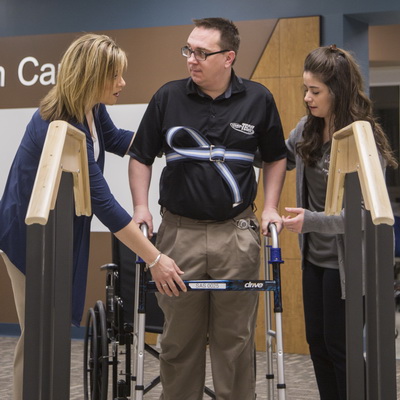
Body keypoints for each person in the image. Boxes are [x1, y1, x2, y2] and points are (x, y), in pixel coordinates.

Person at [0, 33, 186, 400]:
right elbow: (105, 205)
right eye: (115, 76)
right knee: (38, 334)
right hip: (30, 239)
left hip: (59, 233)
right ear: (91, 77)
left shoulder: (91, 109)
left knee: (48, 330)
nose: (122, 83)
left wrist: (174, 144)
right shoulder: (59, 122)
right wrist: (155, 258)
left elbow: (117, 140)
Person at [128, 17, 287, 400]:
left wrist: (269, 207)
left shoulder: (258, 98)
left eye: (202, 52)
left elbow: (277, 157)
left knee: (234, 340)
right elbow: (140, 155)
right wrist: (139, 207)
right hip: (178, 234)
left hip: (236, 233)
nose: (192, 59)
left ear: (228, 57)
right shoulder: (168, 97)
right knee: (179, 340)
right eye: (188, 50)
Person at [282, 45, 397, 400]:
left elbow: (367, 215)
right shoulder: (306, 128)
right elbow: (275, 157)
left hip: (346, 265)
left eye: (315, 91)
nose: (307, 97)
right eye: (306, 89)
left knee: (341, 347)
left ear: (339, 90)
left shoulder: (364, 140)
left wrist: (312, 221)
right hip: (314, 260)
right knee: (317, 344)